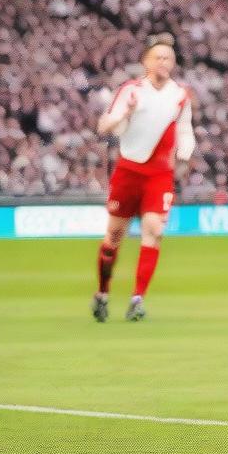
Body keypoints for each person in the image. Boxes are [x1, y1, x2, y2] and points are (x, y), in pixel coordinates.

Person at [91, 33, 196, 322]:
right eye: (158, 57)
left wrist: (187, 148)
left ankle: (137, 298)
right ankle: (102, 293)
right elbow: (105, 125)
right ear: (146, 62)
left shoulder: (180, 94)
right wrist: (123, 114)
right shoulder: (132, 91)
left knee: (155, 230)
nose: (164, 62)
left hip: (160, 174)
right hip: (129, 171)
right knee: (113, 237)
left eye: (168, 58)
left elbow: (185, 127)